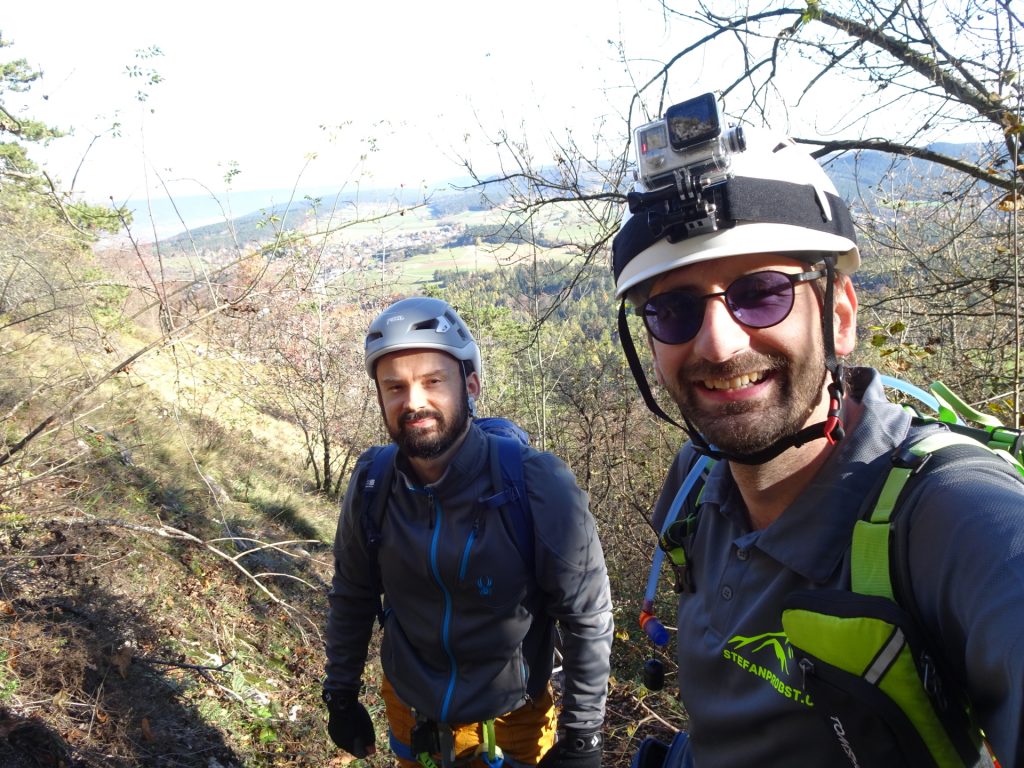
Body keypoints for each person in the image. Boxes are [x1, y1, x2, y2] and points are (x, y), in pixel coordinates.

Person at [610, 103, 1024, 767]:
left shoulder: (951, 516)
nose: (718, 344)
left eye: (762, 292)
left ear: (838, 314)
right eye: (675, 308)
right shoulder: (695, 484)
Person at [324, 296, 613, 768]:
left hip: (511, 717)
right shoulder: (373, 484)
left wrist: (582, 737)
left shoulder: (538, 484)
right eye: (394, 387)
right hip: (410, 706)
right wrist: (339, 692)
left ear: (471, 383)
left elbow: (586, 615)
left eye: (432, 381)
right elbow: (353, 593)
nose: (413, 401)